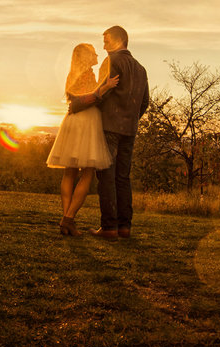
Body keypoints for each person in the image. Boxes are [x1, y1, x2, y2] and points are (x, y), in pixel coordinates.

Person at [71, 25, 149, 240]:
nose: (103, 45)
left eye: (106, 40)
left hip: (109, 127)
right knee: (123, 177)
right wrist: (131, 119)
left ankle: (109, 228)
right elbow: (145, 102)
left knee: (106, 177)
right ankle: (125, 227)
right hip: (129, 130)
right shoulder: (141, 69)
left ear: (117, 40)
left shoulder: (111, 62)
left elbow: (102, 93)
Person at [46, 43, 118, 236]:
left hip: (71, 122)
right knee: (87, 173)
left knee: (69, 173)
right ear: (86, 57)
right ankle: (68, 219)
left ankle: (67, 220)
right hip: (86, 122)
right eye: (93, 53)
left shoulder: (73, 74)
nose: (96, 55)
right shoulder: (87, 74)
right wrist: (105, 87)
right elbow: (89, 98)